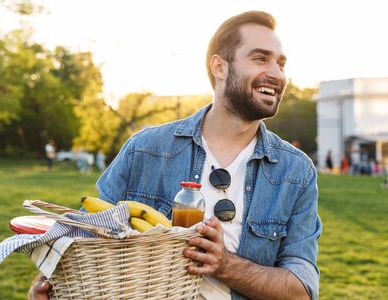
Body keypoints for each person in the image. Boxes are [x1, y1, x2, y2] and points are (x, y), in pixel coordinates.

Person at [30, 11, 321, 300]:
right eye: (260, 59)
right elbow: (84, 233)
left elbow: (301, 290)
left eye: (280, 63)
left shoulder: (295, 172)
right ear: (220, 67)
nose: (275, 73)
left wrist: (225, 265)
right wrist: (46, 281)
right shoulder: (146, 149)